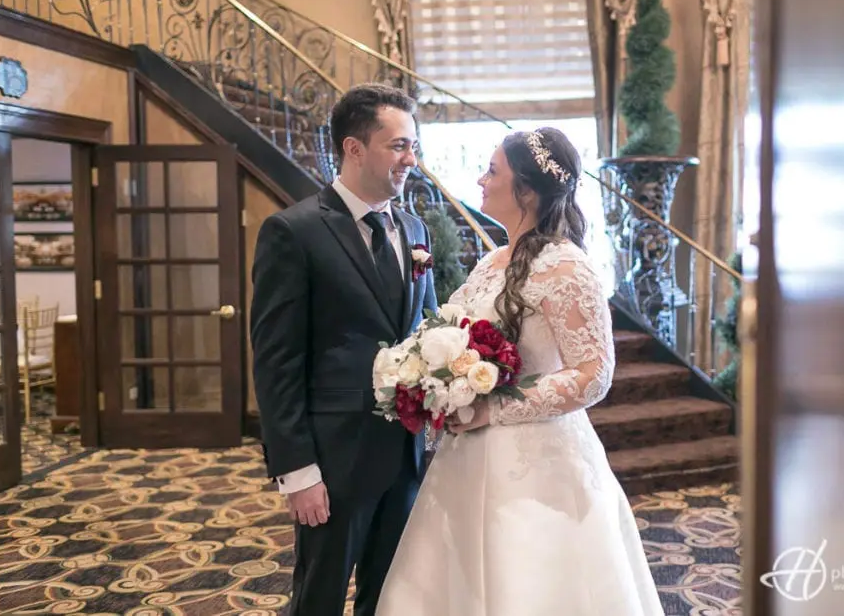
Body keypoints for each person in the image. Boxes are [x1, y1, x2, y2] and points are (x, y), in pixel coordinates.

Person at [375, 128, 665, 615]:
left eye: (492, 171)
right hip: (466, 455)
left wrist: (494, 408)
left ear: (526, 191)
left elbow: (593, 373)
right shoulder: (492, 262)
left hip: (538, 463)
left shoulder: (567, 268)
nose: (481, 180)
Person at [250, 83, 438, 616]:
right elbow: (276, 362)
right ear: (354, 148)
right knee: (319, 598)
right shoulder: (293, 231)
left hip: (405, 453)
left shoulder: (414, 229)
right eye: (399, 146)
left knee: (392, 596)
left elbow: (426, 331)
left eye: (413, 146)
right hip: (333, 460)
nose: (411, 160)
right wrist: (298, 471)